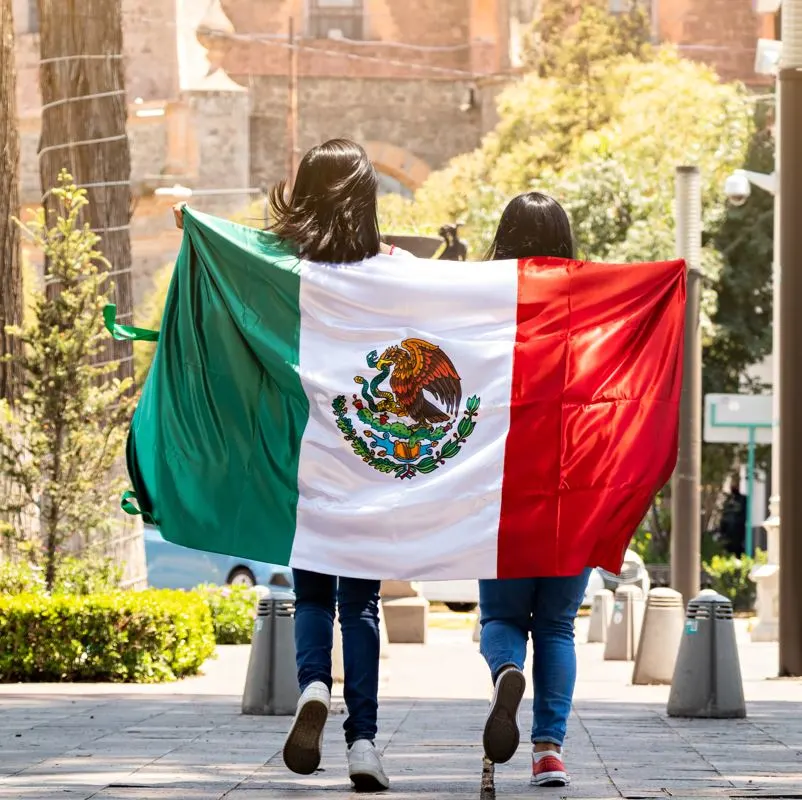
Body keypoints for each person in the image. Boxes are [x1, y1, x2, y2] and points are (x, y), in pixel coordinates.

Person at [174, 139, 404, 792]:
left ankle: (311, 686)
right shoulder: (389, 269)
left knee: (311, 589)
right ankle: (362, 740)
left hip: (298, 452)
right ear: (365, 198)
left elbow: (229, 266)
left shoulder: (279, 264)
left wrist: (194, 228)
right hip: (364, 452)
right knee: (359, 603)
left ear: (302, 191)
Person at [479, 191, 591, 789]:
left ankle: (504, 672)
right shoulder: (594, 303)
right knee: (556, 625)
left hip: (501, 489)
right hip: (572, 489)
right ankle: (549, 751)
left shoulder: (480, 300)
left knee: (500, 614)